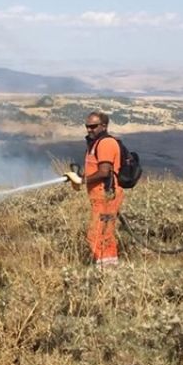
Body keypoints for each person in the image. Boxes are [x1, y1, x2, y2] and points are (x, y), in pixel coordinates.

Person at [66, 112, 123, 265]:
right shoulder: (95, 143)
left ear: (104, 126)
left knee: (98, 234)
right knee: (104, 233)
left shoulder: (105, 143)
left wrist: (82, 180)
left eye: (93, 126)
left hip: (106, 196)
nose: (89, 130)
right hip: (100, 197)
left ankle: (107, 269)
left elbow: (104, 171)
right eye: (87, 126)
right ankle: (107, 266)